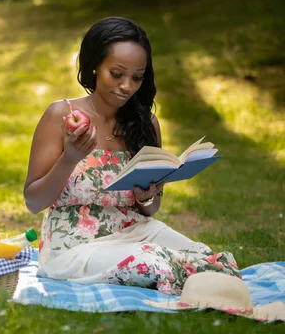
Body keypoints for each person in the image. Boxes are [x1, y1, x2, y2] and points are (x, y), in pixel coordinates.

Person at [23, 17, 240, 295]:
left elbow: (149, 210)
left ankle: (190, 279)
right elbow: (33, 201)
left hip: (137, 230)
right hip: (75, 245)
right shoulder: (60, 115)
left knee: (208, 258)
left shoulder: (145, 123)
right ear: (94, 66)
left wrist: (146, 196)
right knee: (150, 263)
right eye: (117, 73)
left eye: (137, 77)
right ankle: (179, 279)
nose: (127, 86)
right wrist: (70, 157)